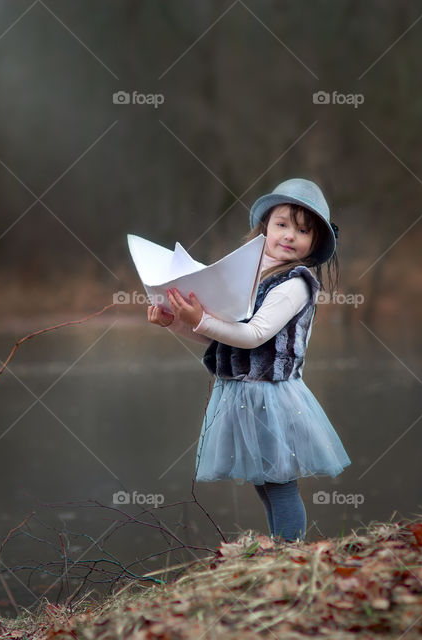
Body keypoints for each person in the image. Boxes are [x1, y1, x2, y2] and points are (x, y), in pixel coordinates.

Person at [146, 178, 350, 543]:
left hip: (272, 396)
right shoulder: (249, 276)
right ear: (265, 228)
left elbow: (256, 334)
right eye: (282, 225)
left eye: (302, 230)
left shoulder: (295, 283)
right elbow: (217, 335)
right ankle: (282, 554)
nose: (289, 235)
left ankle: (290, 558)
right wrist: (175, 321)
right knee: (264, 483)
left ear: (314, 241)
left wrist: (202, 318)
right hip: (239, 394)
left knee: (280, 484)